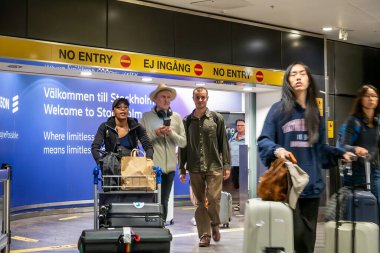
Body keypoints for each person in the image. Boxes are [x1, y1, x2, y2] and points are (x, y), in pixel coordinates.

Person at [257, 62, 354, 253]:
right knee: (286, 239)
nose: (298, 77)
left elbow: (321, 150)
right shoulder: (278, 110)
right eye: (293, 74)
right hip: (285, 188)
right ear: (287, 80)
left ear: (309, 79)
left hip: (311, 187)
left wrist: (341, 153)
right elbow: (263, 140)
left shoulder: (315, 113)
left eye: (302, 73)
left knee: (306, 244)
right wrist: (277, 150)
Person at [179, 87, 230, 247]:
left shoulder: (216, 118)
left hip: (214, 166)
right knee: (200, 203)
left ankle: (215, 224)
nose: (200, 100)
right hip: (194, 167)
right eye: (197, 97)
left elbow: (223, 143)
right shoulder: (186, 121)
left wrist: (226, 165)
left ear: (207, 98)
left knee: (214, 200)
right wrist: (182, 168)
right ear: (193, 99)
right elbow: (183, 146)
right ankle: (205, 235)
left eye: (203, 97)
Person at [91, 97, 154, 205]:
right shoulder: (105, 127)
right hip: (112, 171)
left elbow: (148, 147)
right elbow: (95, 148)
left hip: (131, 170)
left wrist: (147, 163)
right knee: (112, 204)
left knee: (131, 205)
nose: (123, 110)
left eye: (125, 107)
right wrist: (102, 164)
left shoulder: (136, 126)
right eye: (119, 107)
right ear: (113, 111)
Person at [140, 83, 187, 223]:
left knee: (164, 202)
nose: (166, 100)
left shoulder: (177, 118)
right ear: (155, 99)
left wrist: (171, 133)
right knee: (152, 200)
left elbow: (183, 142)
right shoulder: (146, 117)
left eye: (168, 97)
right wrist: (156, 133)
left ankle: (161, 230)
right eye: (163, 97)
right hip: (153, 167)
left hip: (170, 169)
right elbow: (141, 140)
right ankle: (150, 230)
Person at [340, 84, 380, 212]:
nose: (371, 99)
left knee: (377, 205)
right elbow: (343, 145)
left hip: (374, 171)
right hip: (356, 172)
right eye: (367, 96)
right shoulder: (353, 121)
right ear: (361, 99)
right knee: (361, 209)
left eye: (374, 96)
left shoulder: (378, 123)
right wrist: (356, 149)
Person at [229, 119, 245, 190]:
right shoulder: (232, 138)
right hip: (234, 165)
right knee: (235, 185)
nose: (239, 127)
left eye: (242, 125)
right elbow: (227, 148)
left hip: (244, 165)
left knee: (244, 185)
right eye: (238, 125)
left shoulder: (248, 138)